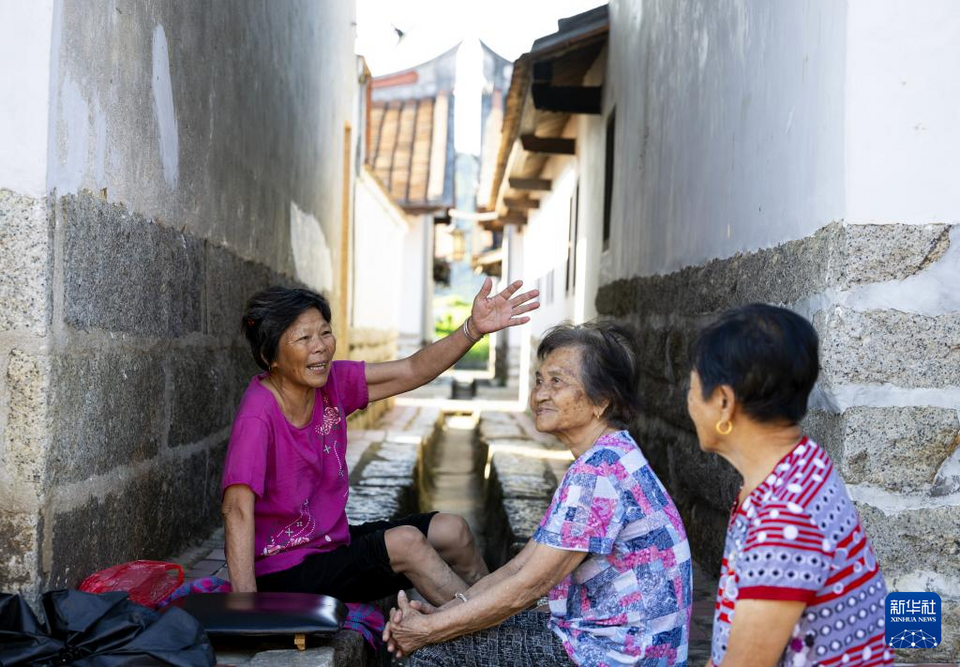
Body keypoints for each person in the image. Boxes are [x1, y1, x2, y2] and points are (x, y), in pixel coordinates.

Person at [385, 321, 693, 666]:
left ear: (602, 401)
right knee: (450, 636)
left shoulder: (599, 473)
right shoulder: (606, 456)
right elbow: (520, 566)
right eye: (539, 381)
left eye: (557, 382)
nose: (540, 394)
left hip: (618, 655)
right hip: (606, 639)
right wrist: (445, 613)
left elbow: (528, 588)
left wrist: (429, 630)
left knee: (432, 656)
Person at [220, 278, 538, 605]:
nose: (320, 346)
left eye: (325, 332)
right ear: (269, 356)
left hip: (331, 545)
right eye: (303, 338)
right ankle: (479, 627)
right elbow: (236, 510)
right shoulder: (258, 415)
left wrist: (473, 329)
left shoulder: (330, 383)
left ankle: (494, 615)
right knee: (406, 543)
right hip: (286, 571)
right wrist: (248, 609)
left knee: (453, 530)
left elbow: (412, 370)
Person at [686, 304, 891, 666]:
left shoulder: (784, 519)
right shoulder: (802, 463)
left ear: (723, 402)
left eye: (691, 388)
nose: (688, 402)